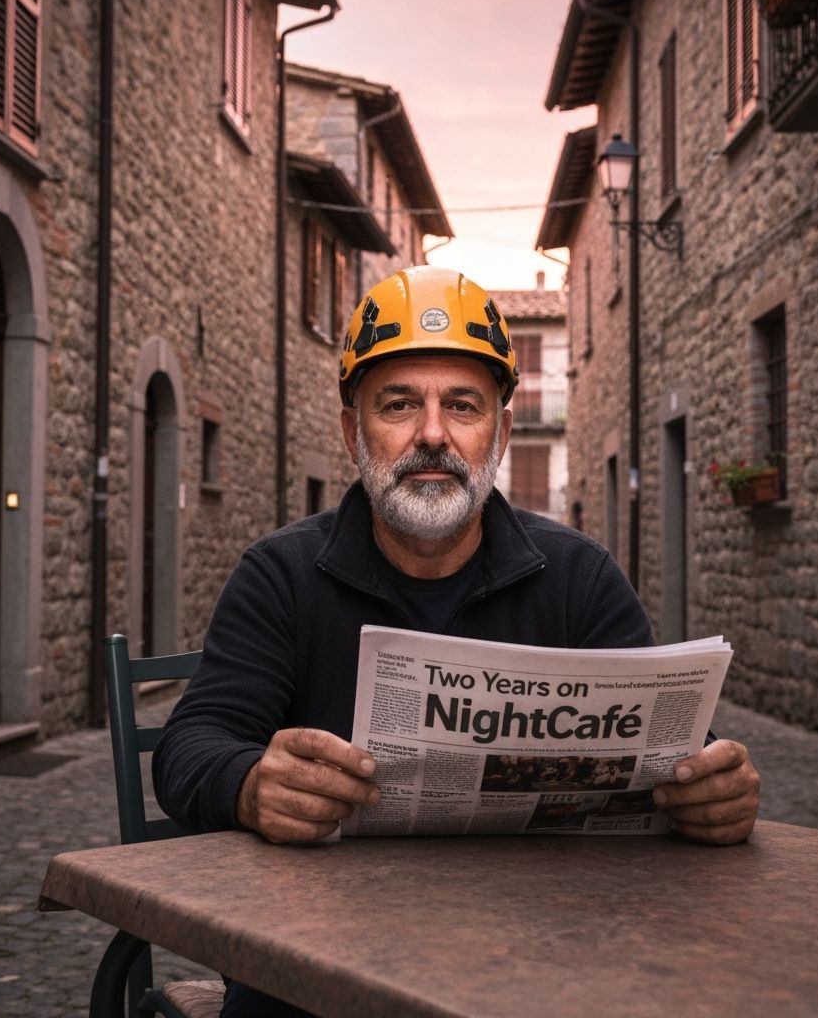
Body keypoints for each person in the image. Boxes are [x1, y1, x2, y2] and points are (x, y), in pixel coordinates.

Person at [153, 265, 760, 1017]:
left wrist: (717, 792)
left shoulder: (581, 577)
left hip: (542, 961)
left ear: (500, 432)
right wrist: (252, 785)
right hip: (313, 972)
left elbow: (683, 750)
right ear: (352, 431)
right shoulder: (279, 575)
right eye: (399, 403)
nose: (432, 435)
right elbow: (190, 747)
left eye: (463, 406)